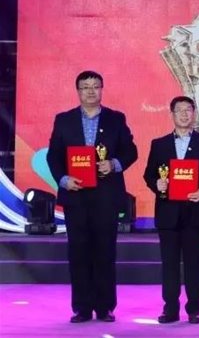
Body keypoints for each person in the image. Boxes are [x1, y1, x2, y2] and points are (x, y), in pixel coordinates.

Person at [46, 70, 138, 323]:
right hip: (75, 195)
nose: (90, 91)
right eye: (85, 87)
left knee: (105, 251)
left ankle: (105, 307)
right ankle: (82, 308)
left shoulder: (116, 119)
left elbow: (131, 151)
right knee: (78, 252)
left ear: (101, 89)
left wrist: (114, 164)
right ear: (78, 91)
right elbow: (54, 156)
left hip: (106, 196)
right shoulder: (64, 120)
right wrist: (63, 179)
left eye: (95, 86)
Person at [143, 96, 199, 324]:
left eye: (189, 110)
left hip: (195, 213)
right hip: (168, 213)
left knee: (193, 264)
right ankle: (170, 308)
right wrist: (157, 184)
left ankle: (194, 308)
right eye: (179, 110)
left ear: (194, 113)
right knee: (169, 264)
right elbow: (149, 174)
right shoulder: (159, 144)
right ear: (172, 114)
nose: (185, 114)